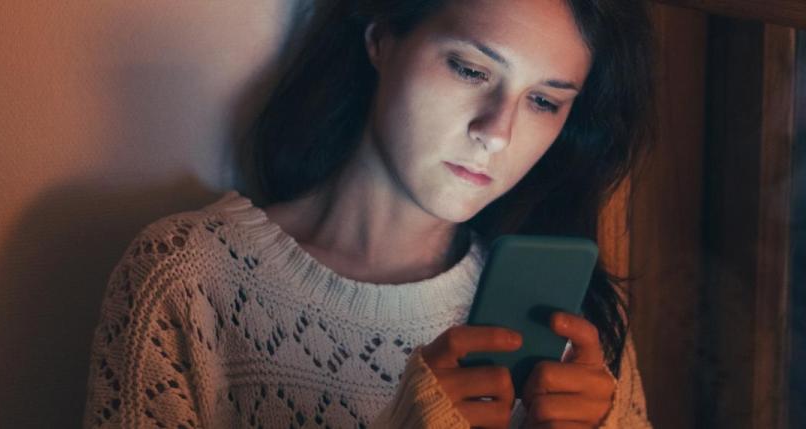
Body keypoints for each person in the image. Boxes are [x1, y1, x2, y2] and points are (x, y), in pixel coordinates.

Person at [83, 0, 654, 427]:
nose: (497, 133)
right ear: (382, 38)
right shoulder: (188, 278)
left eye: (543, 101)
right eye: (472, 70)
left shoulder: (573, 326)